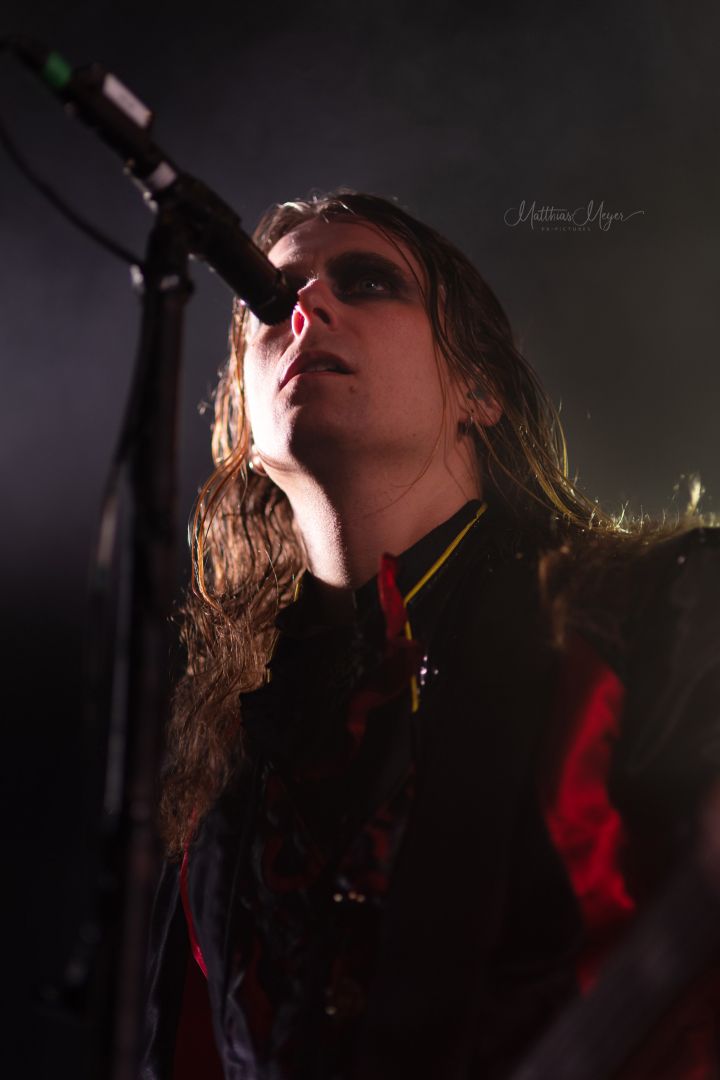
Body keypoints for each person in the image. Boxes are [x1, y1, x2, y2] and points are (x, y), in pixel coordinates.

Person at [141, 191, 720, 1080]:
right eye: (272, 299)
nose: (306, 307)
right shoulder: (226, 761)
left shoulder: (660, 612)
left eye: (366, 282)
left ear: (480, 389)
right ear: (246, 429)